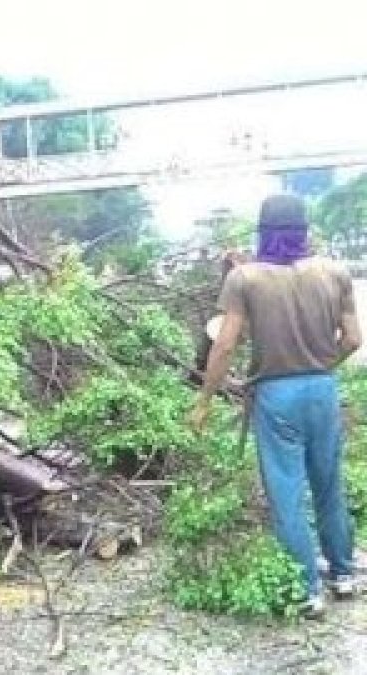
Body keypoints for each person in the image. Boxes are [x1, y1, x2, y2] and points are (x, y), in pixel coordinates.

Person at [189, 193, 362, 618]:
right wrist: (323, 364)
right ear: (305, 230)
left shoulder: (245, 278)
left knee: (287, 492)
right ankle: (343, 574)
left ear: (263, 231)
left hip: (277, 395)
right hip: (322, 391)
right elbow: (354, 339)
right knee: (328, 484)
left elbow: (224, 342)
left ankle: (307, 591)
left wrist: (205, 399)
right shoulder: (335, 272)